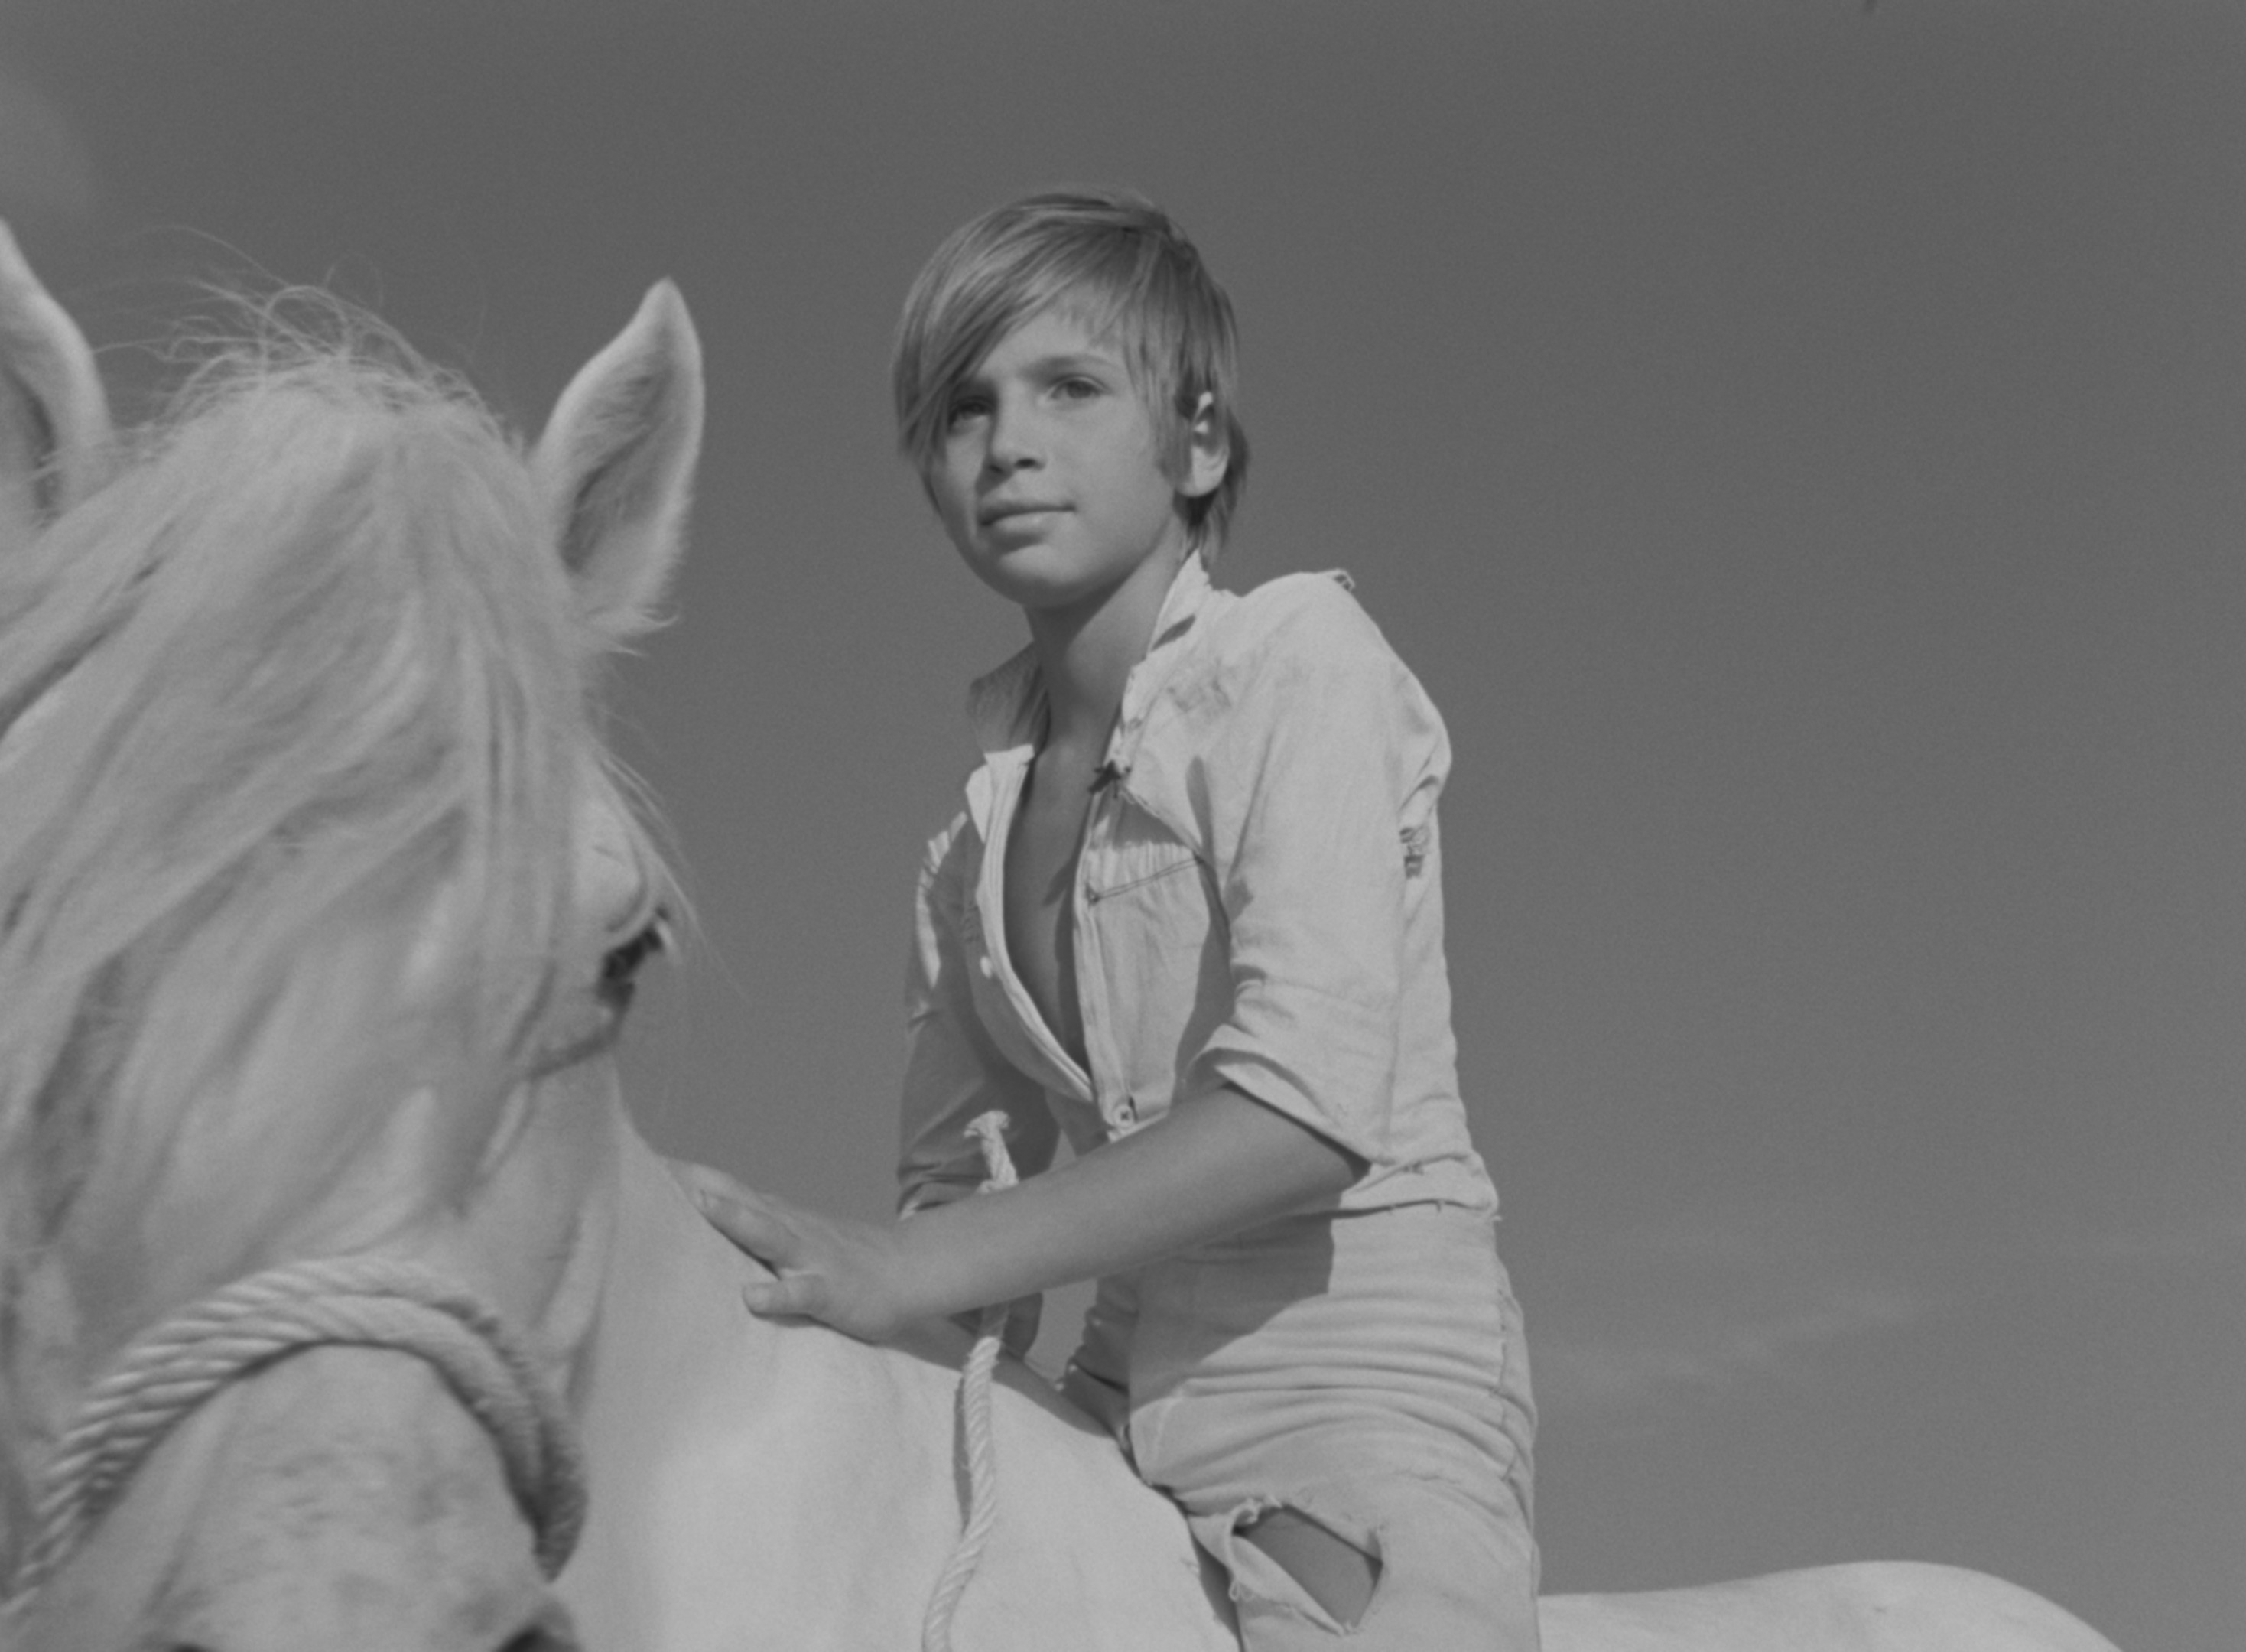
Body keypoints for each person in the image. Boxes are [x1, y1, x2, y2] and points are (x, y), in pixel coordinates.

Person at [684, 187, 1539, 1649]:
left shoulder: (1299, 660)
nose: (1008, 443)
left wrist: (916, 1266)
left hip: (1357, 1384)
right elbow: (948, 1211)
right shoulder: (965, 849)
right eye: (964, 408)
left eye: (1069, 388)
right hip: (1113, 1395)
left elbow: (1306, 1109)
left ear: (1196, 442)